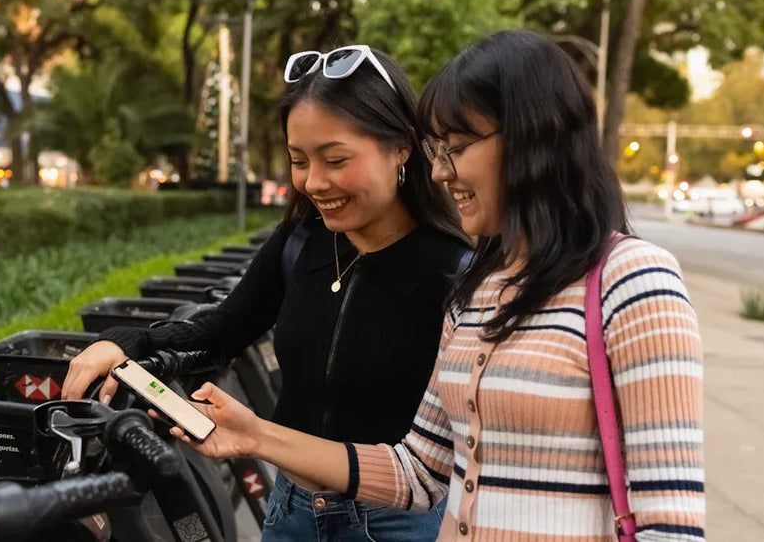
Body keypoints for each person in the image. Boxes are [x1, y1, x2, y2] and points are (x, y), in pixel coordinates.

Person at [165, 31, 706, 541]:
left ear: (535, 135)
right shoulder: (475, 291)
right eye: (438, 149)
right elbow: (419, 472)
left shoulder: (633, 281)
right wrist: (255, 435)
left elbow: (670, 520)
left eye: (459, 146)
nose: (442, 172)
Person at [62, 44, 472, 541]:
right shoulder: (302, 241)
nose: (314, 182)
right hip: (292, 511)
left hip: (400, 525)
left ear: (401, 146)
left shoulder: (457, 272)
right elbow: (220, 332)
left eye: (335, 159)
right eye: (299, 160)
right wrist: (130, 344)